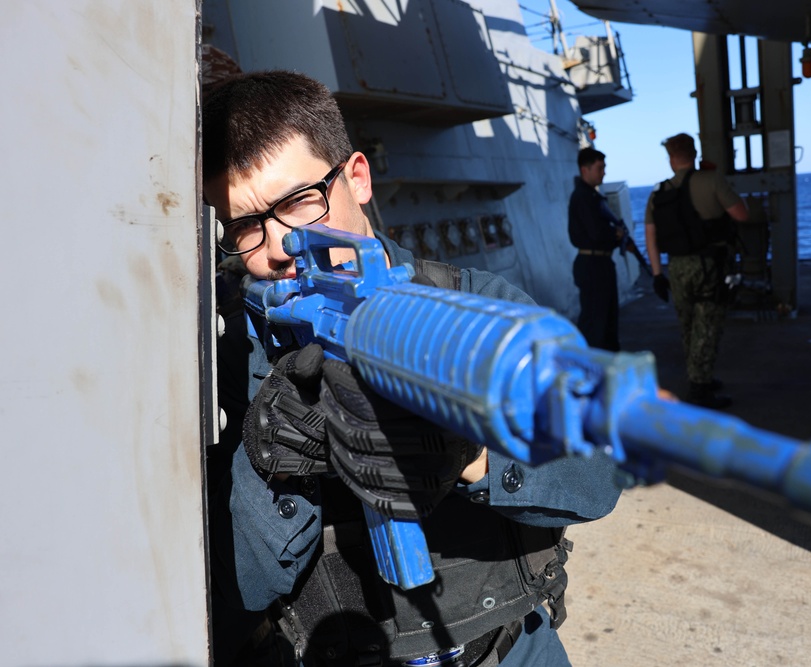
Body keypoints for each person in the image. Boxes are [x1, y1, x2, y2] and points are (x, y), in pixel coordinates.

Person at [203, 70, 622, 667]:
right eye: (245, 225)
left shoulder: (477, 304)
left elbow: (598, 473)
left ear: (357, 177)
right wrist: (273, 463)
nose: (278, 248)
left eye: (298, 201)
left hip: (510, 652)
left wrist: (468, 451)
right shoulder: (227, 359)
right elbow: (233, 593)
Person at [643, 133, 749, 410]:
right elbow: (741, 214)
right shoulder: (710, 180)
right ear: (695, 153)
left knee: (688, 325)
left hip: (677, 267)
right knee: (708, 325)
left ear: (671, 159)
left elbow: (650, 237)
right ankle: (699, 389)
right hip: (708, 265)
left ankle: (699, 375)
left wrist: (656, 274)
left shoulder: (659, 193)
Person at [567, 147, 623, 352]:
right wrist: (615, 234)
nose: (604, 172)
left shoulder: (590, 196)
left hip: (600, 263)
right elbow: (596, 233)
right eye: (600, 168)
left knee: (606, 319)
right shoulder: (583, 197)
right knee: (596, 322)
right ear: (585, 169)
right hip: (593, 265)